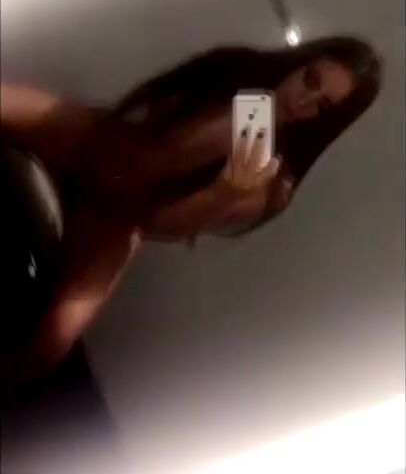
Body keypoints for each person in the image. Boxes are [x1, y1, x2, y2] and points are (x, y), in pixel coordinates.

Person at [1, 35, 381, 391]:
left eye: (322, 106)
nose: (303, 101)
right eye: (310, 80)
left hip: (125, 214)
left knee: (50, 345)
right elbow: (144, 126)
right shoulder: (236, 70)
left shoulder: (273, 181)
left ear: (328, 122)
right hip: (106, 145)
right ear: (300, 62)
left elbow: (159, 225)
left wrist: (223, 195)